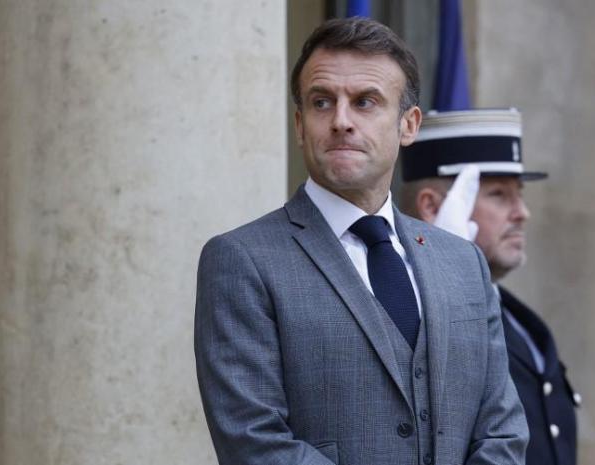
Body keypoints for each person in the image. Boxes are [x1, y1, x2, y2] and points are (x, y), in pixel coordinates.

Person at [194, 18, 527, 465]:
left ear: (408, 125)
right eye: (322, 102)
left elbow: (503, 431)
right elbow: (254, 440)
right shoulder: (243, 260)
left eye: (365, 102)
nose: (341, 121)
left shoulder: (463, 261)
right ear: (300, 124)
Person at [398, 108, 580, 465]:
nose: (522, 212)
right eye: (498, 194)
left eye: (519, 194)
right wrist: (446, 274)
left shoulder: (519, 320)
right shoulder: (409, 316)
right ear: (432, 207)